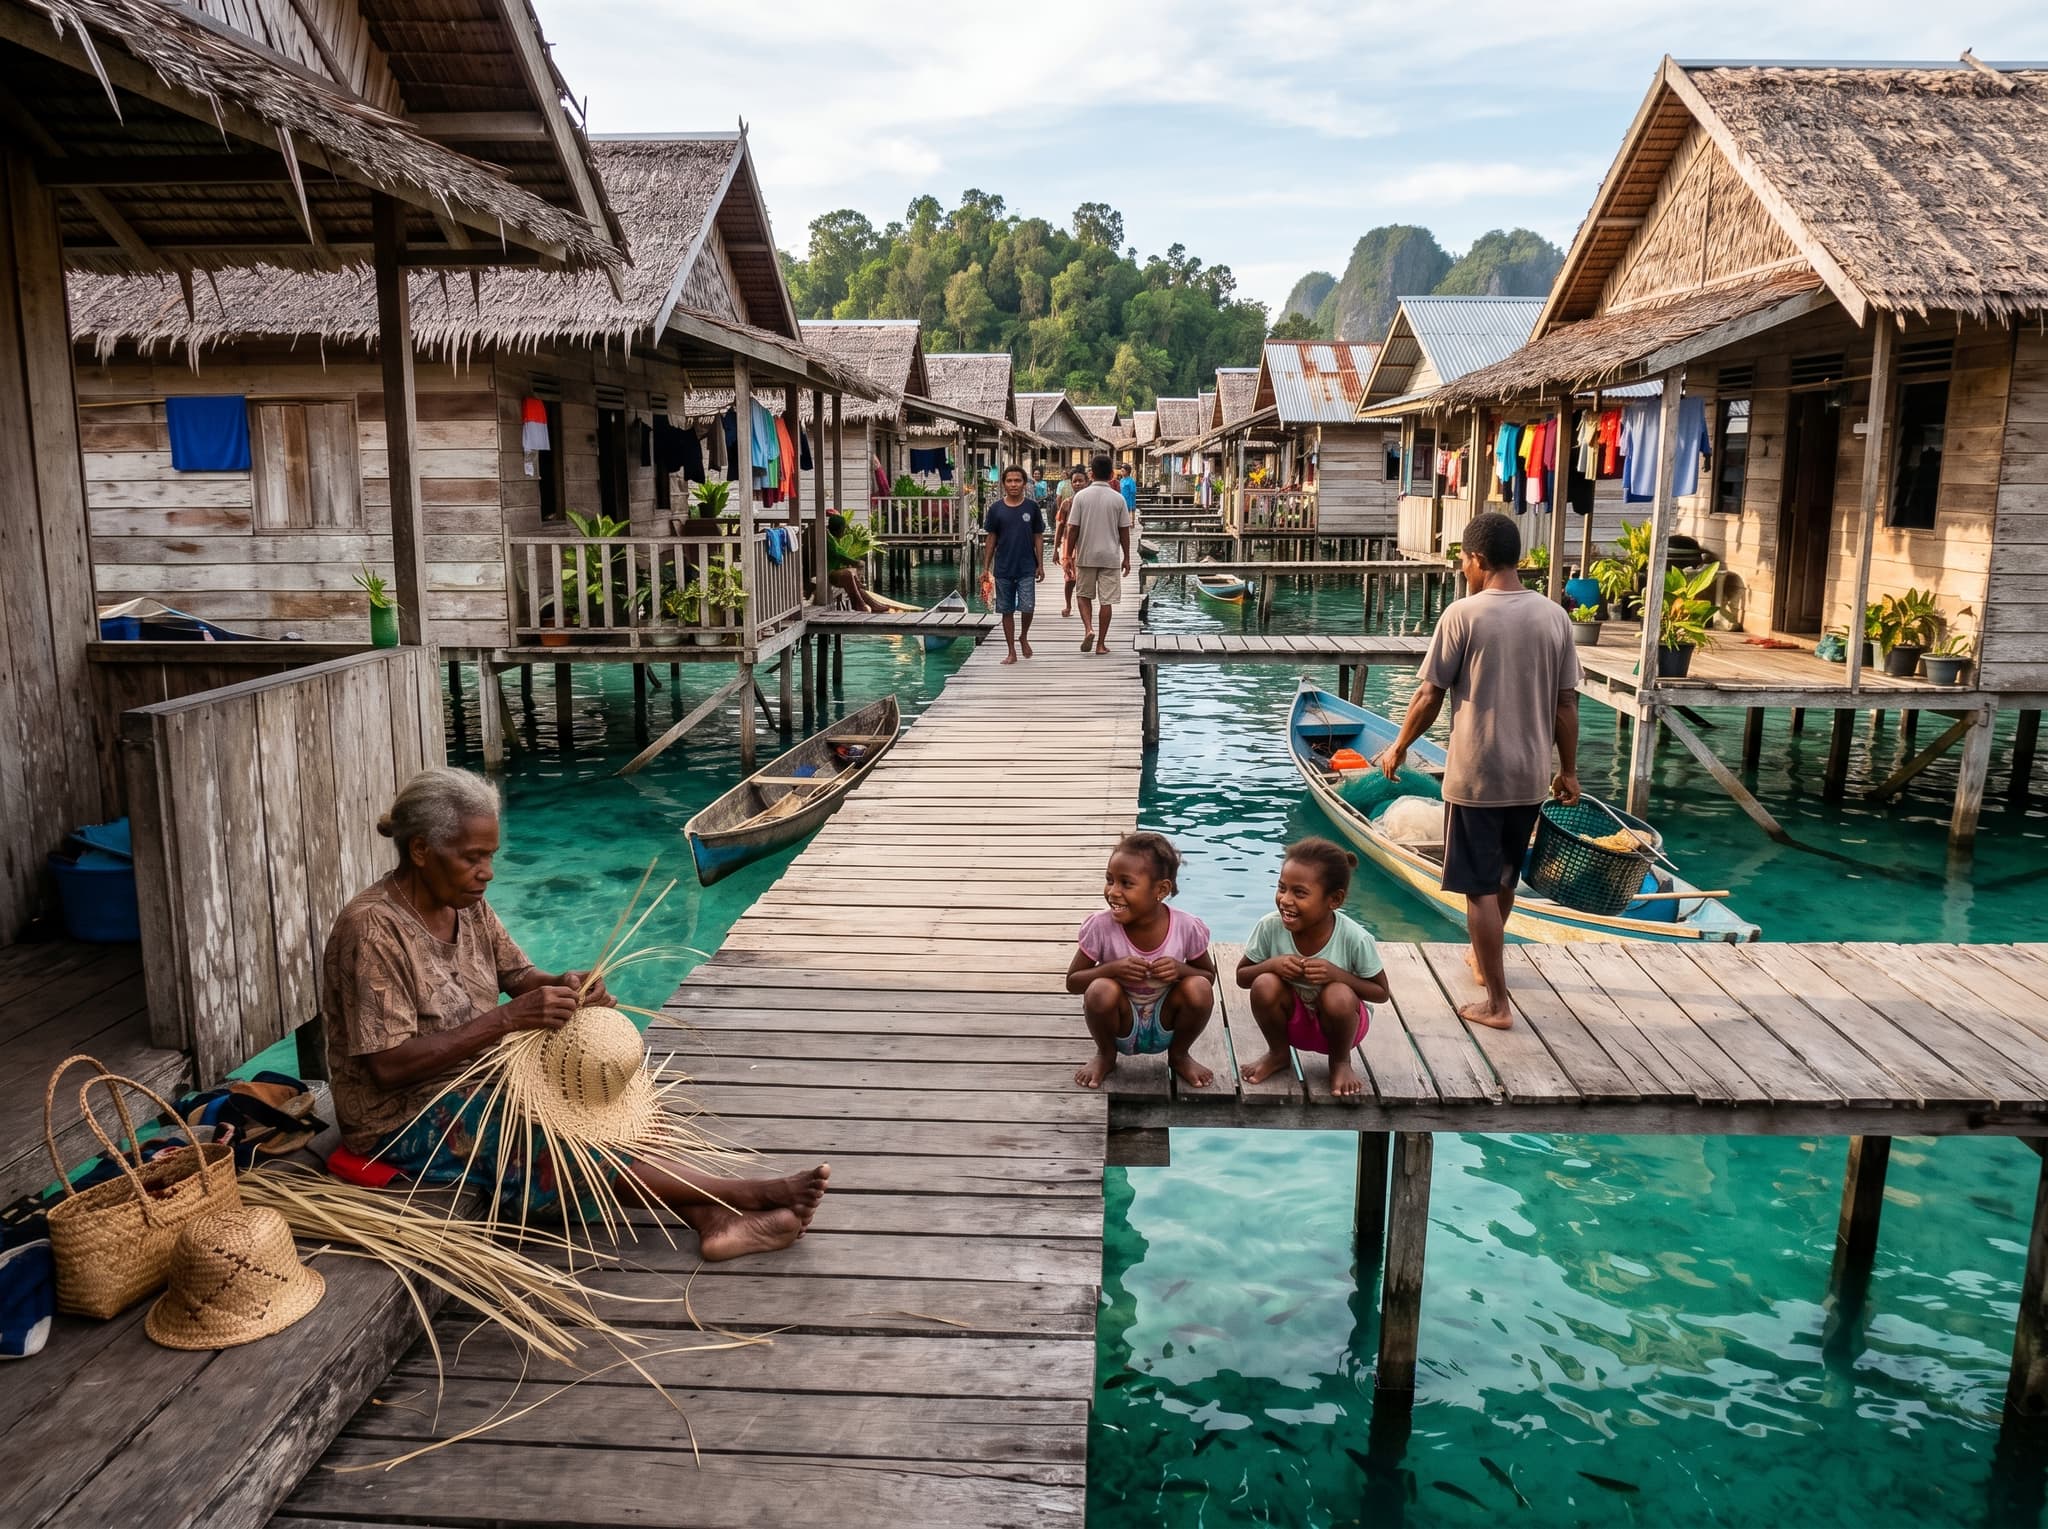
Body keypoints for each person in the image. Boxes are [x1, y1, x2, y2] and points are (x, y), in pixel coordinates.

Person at [322, 768, 829, 1260]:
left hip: (477, 1077)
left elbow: (518, 976)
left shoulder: (463, 900)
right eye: (472, 857)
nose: (488, 872)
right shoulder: (372, 930)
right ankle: (744, 1196)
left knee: (599, 1097)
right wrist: (507, 1020)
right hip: (401, 1118)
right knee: (556, 1139)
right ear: (420, 851)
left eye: (492, 856)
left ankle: (713, 1221)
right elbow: (387, 1067)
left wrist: (565, 986)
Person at [1376, 511, 1581, 1029]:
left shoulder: (1463, 615)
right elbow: (1566, 706)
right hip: (1531, 775)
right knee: (1506, 876)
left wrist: (1399, 746)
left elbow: (1428, 694)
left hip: (1477, 777)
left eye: (1464, 560)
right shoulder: (1554, 616)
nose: (1463, 569)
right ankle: (1483, 959)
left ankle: (1496, 1002)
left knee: (1477, 889)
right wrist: (1569, 771)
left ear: (1479, 560)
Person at [1235, 838, 1390, 1098]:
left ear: (1334, 900)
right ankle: (1278, 1053)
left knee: (1337, 993)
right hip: (1292, 1023)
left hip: (1340, 1028)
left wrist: (1336, 975)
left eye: (1300, 893)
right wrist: (1273, 965)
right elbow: (1242, 977)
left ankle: (1341, 1063)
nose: (1285, 900)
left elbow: (1380, 993)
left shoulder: (1355, 938)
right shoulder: (1269, 926)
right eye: (1282, 888)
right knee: (1264, 983)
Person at [1067, 832, 1216, 1090]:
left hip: (1165, 1019)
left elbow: (1208, 977)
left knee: (1198, 988)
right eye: (1109, 880)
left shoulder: (1186, 926)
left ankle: (1180, 1056)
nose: (1113, 892)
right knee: (1101, 990)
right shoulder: (1100, 927)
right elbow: (1073, 982)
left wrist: (1180, 970)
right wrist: (1112, 969)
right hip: (1120, 1022)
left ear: (1160, 890)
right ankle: (1105, 1055)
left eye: (1126, 883)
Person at [1064, 455, 1132, 653]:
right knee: (1106, 600)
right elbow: (1124, 531)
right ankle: (1101, 644)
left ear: (1091, 474)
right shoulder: (1118, 499)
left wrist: (1068, 555)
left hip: (1086, 555)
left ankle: (1088, 628)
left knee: (1083, 595)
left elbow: (1072, 528)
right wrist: (1126, 557)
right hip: (1110, 557)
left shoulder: (1081, 497)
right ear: (1112, 475)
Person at [980, 464, 1046, 664]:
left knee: (1028, 607)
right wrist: (985, 567)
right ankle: (1011, 650)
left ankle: (1023, 635)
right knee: (1006, 609)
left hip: (1026, 566)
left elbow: (1038, 537)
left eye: (1017, 480)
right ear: (1003, 484)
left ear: (1025, 484)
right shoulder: (996, 509)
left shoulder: (1031, 507)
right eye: (1009, 481)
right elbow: (991, 538)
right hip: (1003, 568)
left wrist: (1040, 564)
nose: (1013, 484)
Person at [826, 509, 888, 613]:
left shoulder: (831, 538)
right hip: (827, 573)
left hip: (831, 571)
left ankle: (870, 603)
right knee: (847, 574)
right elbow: (838, 555)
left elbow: (840, 554)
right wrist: (855, 562)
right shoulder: (827, 539)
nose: (845, 531)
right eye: (843, 529)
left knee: (852, 575)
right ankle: (859, 604)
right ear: (837, 529)